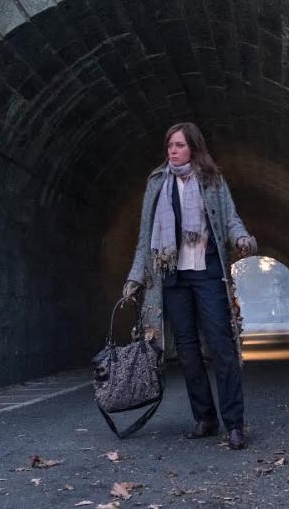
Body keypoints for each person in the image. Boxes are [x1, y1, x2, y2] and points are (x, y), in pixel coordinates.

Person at [122, 122, 257, 450]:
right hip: (173, 277)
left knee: (221, 347)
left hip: (208, 272)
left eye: (179, 145)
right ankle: (205, 418)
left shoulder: (212, 179)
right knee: (186, 350)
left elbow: (230, 218)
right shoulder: (157, 182)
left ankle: (234, 424)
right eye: (170, 145)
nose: (173, 150)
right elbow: (145, 235)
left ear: (193, 148)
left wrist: (241, 237)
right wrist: (135, 276)